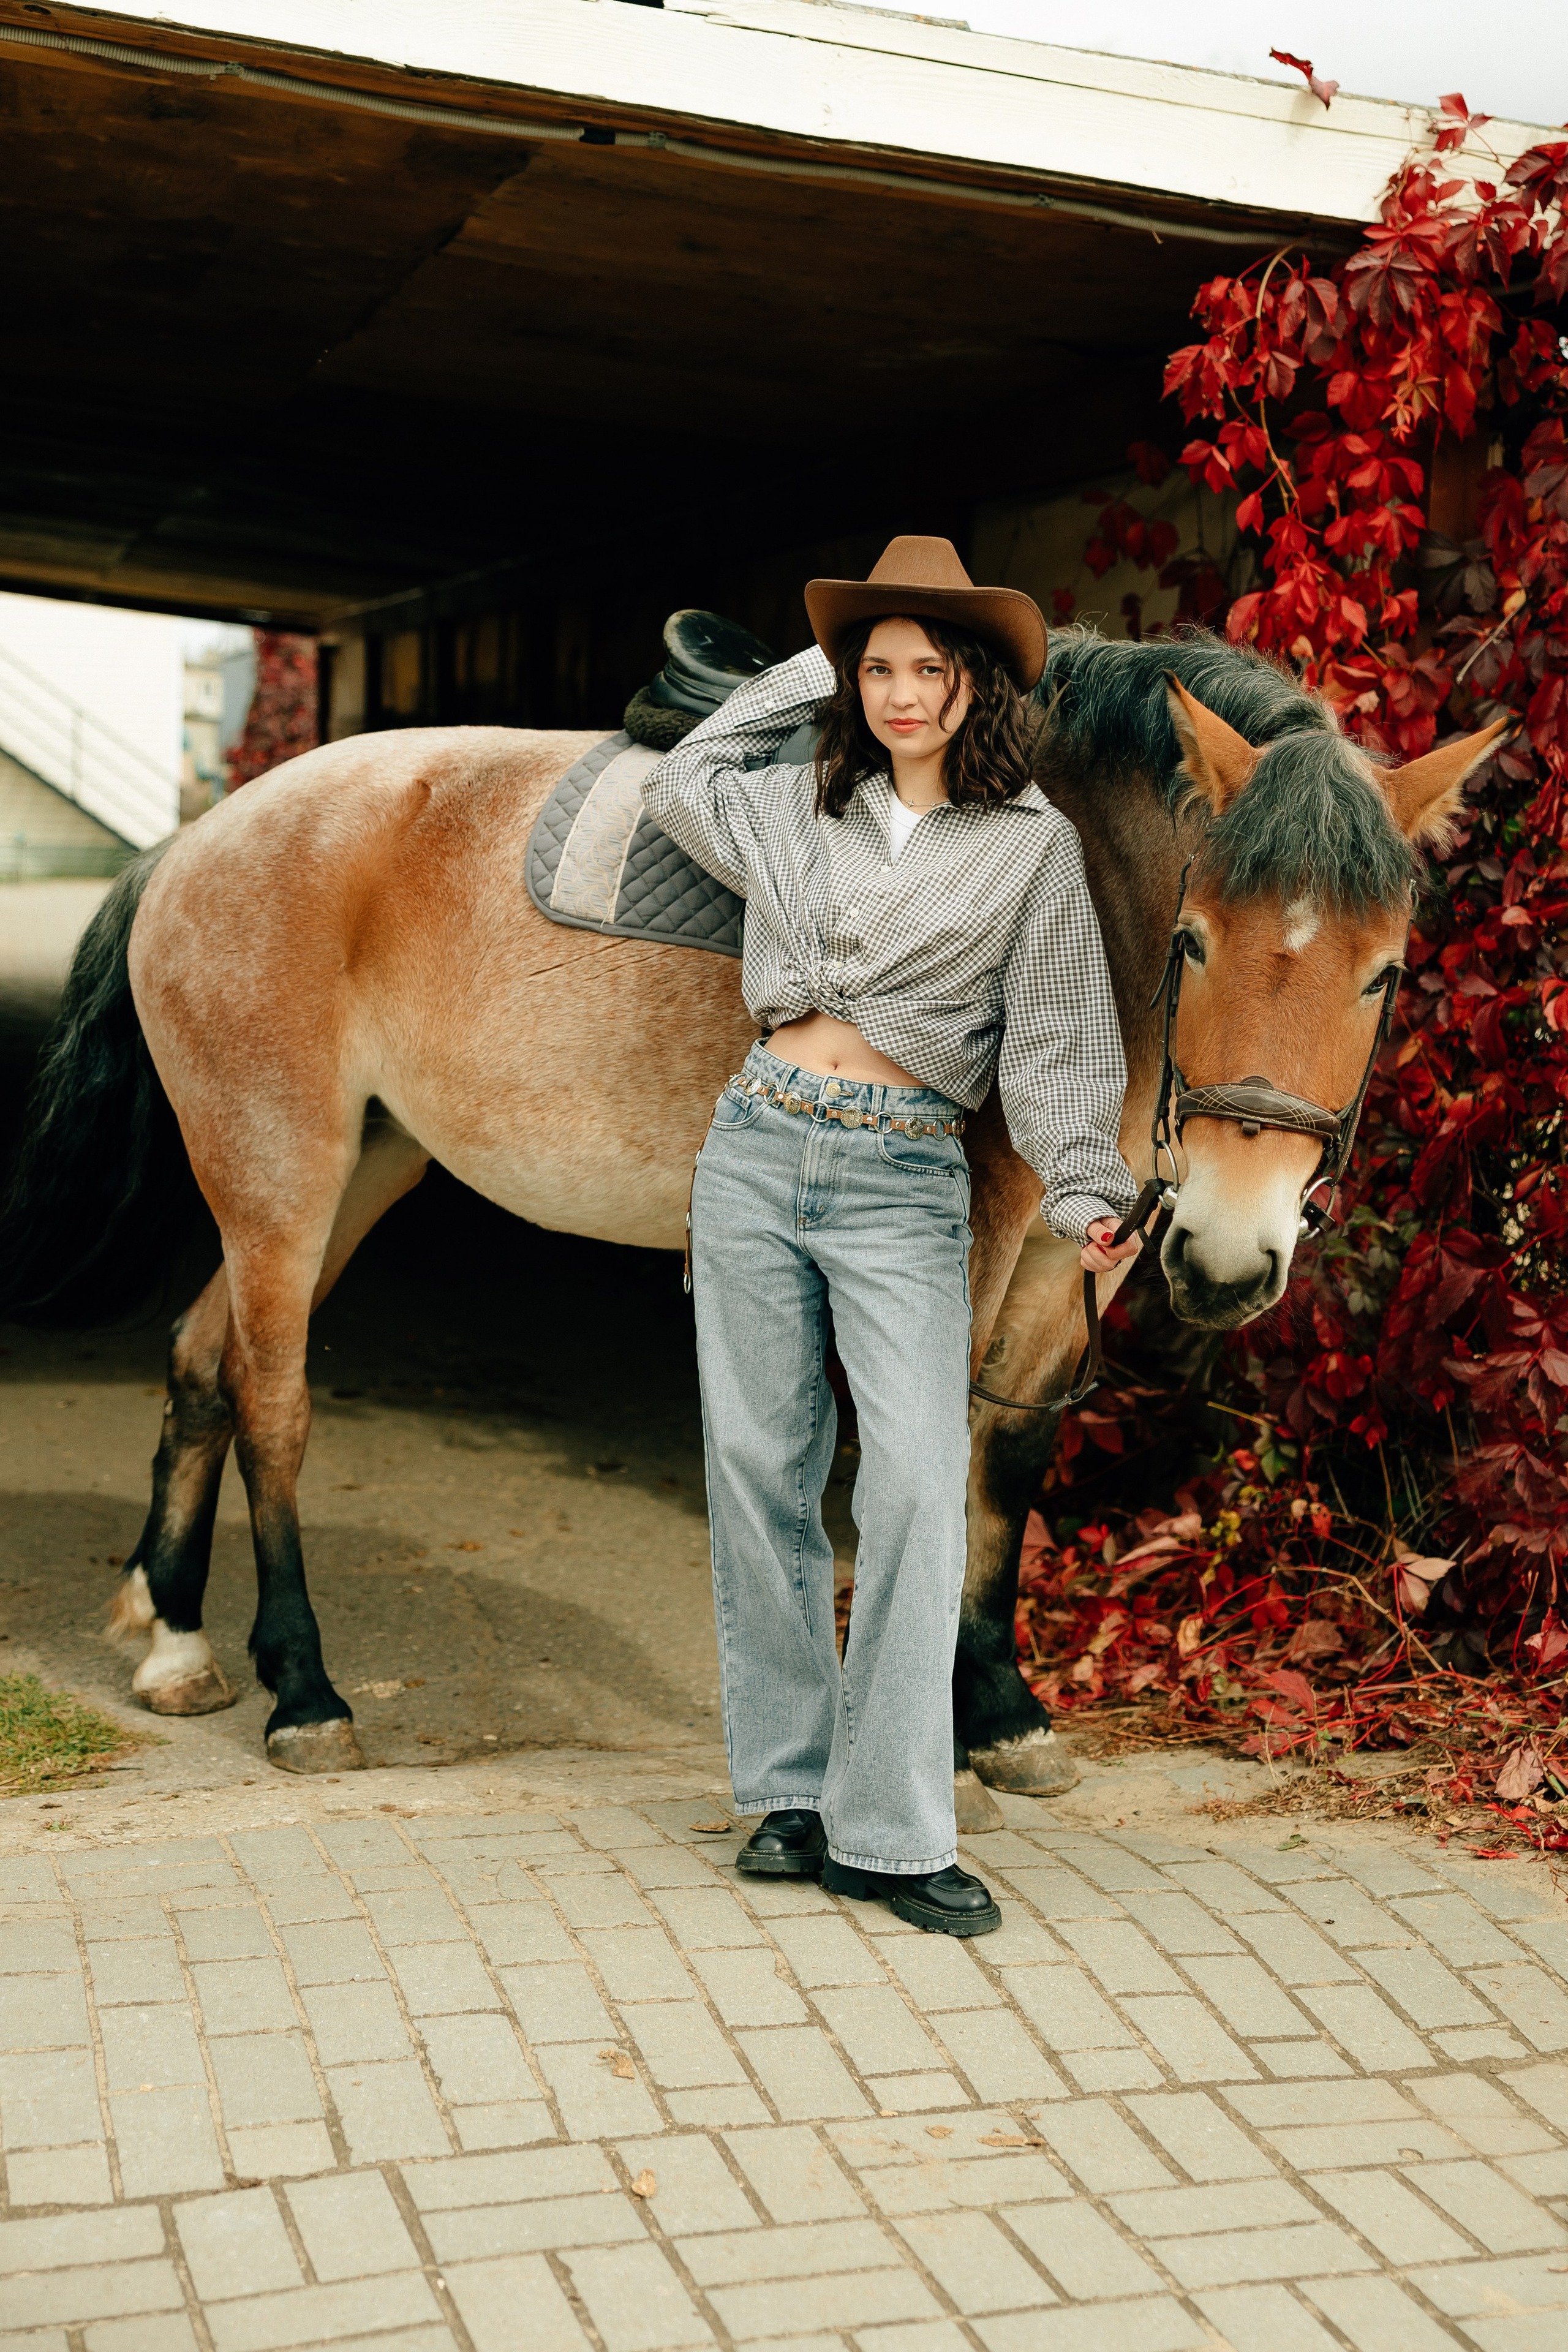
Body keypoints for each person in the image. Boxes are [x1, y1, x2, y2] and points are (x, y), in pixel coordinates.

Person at [643, 537, 1140, 1934]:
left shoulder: (1031, 847)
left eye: (927, 667)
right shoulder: (791, 810)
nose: (901, 693)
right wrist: (809, 660)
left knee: (917, 1489)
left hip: (898, 1177)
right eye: (878, 668)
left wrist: (1086, 1183)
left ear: (976, 683)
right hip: (751, 1151)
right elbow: (683, 777)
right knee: (757, 1475)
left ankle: (895, 1830)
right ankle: (788, 1796)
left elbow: (1049, 1045)